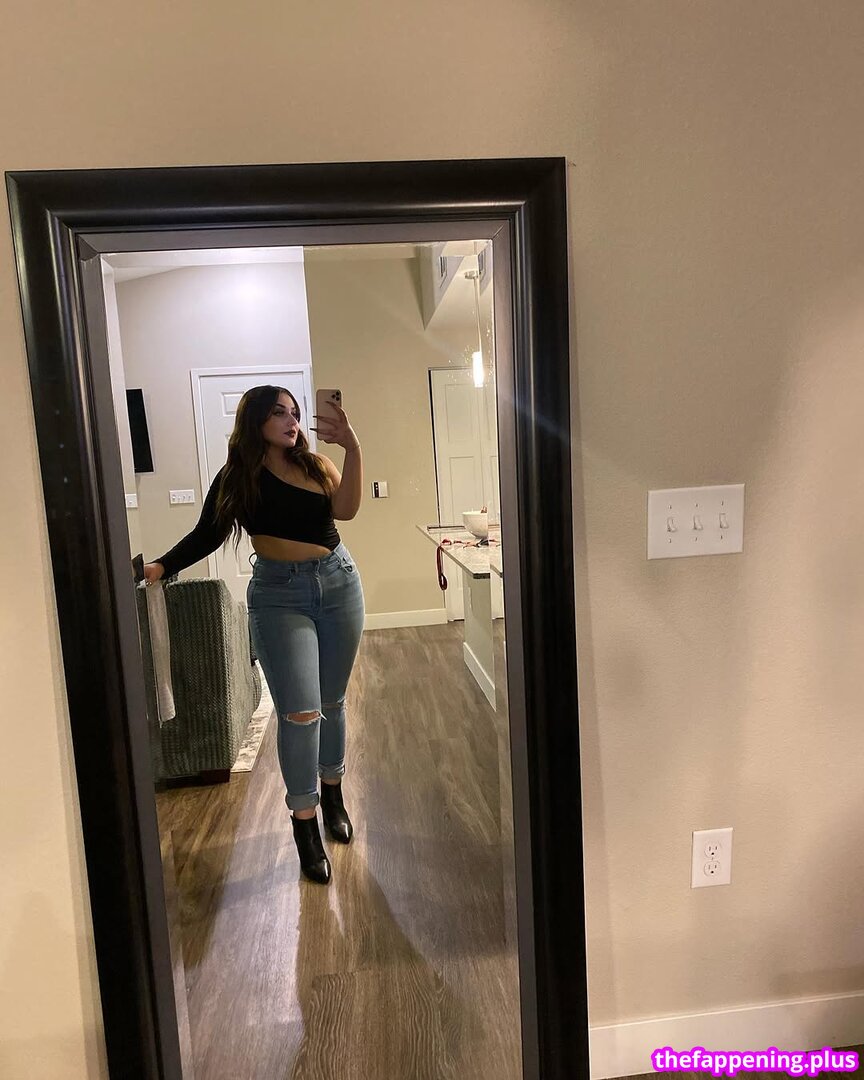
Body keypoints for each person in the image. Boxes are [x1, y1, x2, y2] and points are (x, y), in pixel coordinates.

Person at [143, 384, 364, 885]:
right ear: (256, 419)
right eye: (279, 413)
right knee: (300, 712)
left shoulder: (316, 466)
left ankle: (333, 795)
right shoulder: (237, 478)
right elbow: (207, 534)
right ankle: (305, 823)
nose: (292, 421)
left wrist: (352, 448)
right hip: (279, 597)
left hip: (339, 584)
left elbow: (347, 510)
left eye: (295, 413)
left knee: (332, 702)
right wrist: (162, 566)